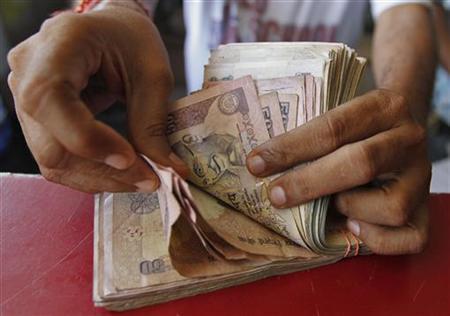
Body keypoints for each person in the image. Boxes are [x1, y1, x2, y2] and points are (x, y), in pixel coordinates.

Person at [7, 0, 435, 255]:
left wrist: (399, 108)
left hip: (333, 155)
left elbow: (407, 13)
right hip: (205, 147)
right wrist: (111, 11)